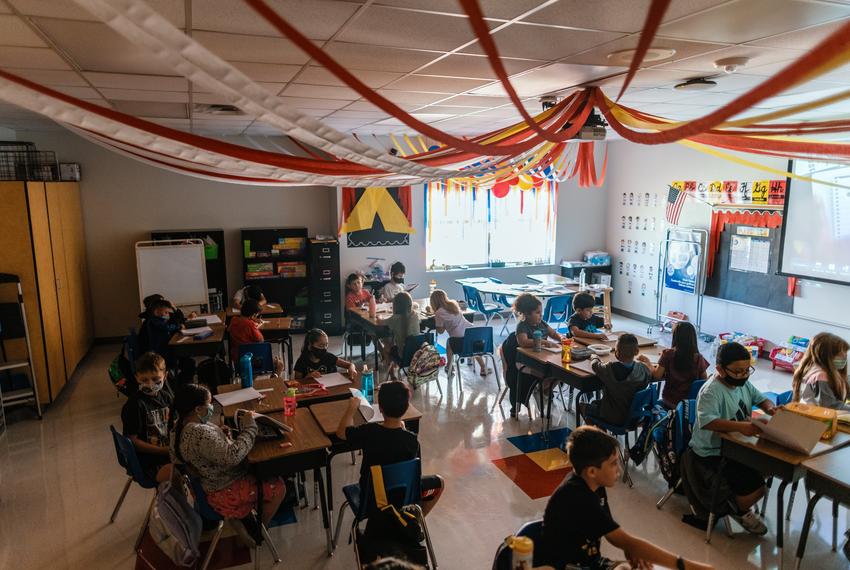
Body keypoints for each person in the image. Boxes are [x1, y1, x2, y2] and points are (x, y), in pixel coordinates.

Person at [539, 426, 714, 570]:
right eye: (613, 464)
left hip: (590, 563)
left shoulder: (593, 484)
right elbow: (622, 539)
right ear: (592, 471)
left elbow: (612, 534)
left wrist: (629, 549)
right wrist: (686, 566)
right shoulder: (578, 496)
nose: (619, 470)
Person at [682, 342, 776, 535]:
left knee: (768, 468)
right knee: (757, 489)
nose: (743, 376)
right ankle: (737, 509)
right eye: (737, 372)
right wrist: (743, 427)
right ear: (720, 369)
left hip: (738, 446)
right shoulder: (711, 391)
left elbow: (761, 399)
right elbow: (709, 422)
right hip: (711, 452)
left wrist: (770, 408)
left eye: (746, 370)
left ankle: (736, 503)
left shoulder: (743, 384)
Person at [170, 384, 285, 527]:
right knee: (278, 486)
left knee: (263, 467)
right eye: (209, 403)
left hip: (211, 484)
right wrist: (250, 428)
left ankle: (249, 521)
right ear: (197, 409)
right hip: (224, 491)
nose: (212, 407)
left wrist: (220, 436)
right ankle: (258, 530)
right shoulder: (198, 432)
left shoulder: (179, 427)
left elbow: (203, 451)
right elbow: (232, 457)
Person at [336, 381, 444, 517]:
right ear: (406, 408)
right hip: (402, 498)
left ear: (380, 408)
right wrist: (403, 429)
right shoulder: (411, 440)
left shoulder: (369, 432)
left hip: (371, 500)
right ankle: (415, 519)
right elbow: (414, 474)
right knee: (439, 482)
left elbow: (341, 432)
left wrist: (351, 408)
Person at [121, 352, 174, 482]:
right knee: (188, 470)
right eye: (144, 380)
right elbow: (132, 440)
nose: (150, 384)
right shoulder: (135, 404)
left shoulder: (166, 397)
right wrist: (163, 451)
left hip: (167, 453)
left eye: (156, 379)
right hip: (149, 461)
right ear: (136, 378)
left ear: (165, 376)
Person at [581, 334, 652, 426]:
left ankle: (600, 435)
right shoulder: (643, 369)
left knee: (582, 406)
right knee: (596, 403)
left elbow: (595, 366)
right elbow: (650, 375)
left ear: (616, 353)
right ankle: (602, 434)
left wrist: (594, 357)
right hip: (634, 417)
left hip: (611, 416)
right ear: (637, 352)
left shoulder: (610, 368)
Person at [638, 321, 709, 409]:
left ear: (676, 337)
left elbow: (657, 376)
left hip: (669, 401)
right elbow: (704, 381)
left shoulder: (668, 354)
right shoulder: (699, 358)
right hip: (688, 404)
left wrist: (648, 362)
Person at [429, 288, 487, 376]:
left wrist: (442, 323)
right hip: (473, 332)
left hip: (459, 339)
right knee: (472, 347)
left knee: (449, 343)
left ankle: (450, 366)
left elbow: (440, 331)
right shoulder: (453, 305)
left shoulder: (438, 313)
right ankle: (483, 367)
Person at [138, 297, 195, 384]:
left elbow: (172, 324)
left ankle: (183, 382)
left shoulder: (157, 319)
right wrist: (178, 326)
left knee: (188, 359)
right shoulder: (153, 321)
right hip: (162, 353)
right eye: (166, 312)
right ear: (157, 311)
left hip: (164, 350)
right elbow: (166, 327)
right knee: (188, 360)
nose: (168, 315)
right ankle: (182, 384)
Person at [791, 332, 850, 411]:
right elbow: (830, 406)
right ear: (825, 355)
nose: (844, 357)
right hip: (815, 419)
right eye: (840, 354)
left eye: (845, 353)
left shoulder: (828, 372)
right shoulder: (821, 376)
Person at [379, 292, 421, 380]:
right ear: (410, 304)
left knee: (386, 346)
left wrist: (379, 317)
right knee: (391, 340)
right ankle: (394, 369)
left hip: (403, 356)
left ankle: (392, 376)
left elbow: (380, 322)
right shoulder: (415, 315)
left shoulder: (394, 319)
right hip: (419, 355)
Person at [292, 328, 358, 380]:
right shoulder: (302, 361)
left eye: (326, 345)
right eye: (320, 346)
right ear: (310, 346)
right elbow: (297, 381)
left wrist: (352, 369)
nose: (324, 348)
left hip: (331, 389)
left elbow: (350, 365)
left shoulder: (329, 357)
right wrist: (307, 377)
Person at [228, 298, 264, 363]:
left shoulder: (233, 319)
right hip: (250, 358)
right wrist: (256, 327)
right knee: (278, 363)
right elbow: (261, 340)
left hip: (237, 357)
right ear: (253, 315)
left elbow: (229, 329)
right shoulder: (250, 325)